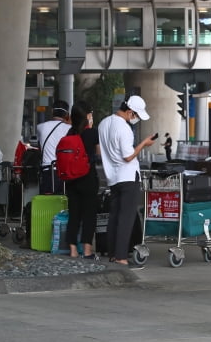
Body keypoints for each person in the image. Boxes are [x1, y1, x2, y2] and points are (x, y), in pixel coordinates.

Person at [98, 95, 156, 269]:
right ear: (130, 112)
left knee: (114, 216)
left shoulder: (103, 123)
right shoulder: (123, 128)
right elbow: (128, 156)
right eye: (136, 115)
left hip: (112, 177)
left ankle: (113, 254)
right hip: (128, 177)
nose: (136, 119)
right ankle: (122, 258)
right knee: (126, 218)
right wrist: (144, 144)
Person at [64, 100, 100, 259]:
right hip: (88, 178)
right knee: (89, 214)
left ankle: (72, 250)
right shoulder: (92, 133)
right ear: (87, 116)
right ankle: (86, 250)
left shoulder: (69, 133)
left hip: (71, 179)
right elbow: (98, 154)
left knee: (74, 214)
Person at [36, 99, 70, 194]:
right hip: (64, 172)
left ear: (52, 111)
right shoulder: (70, 129)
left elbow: (39, 146)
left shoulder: (40, 127)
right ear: (67, 114)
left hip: (47, 171)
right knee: (63, 202)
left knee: (47, 203)